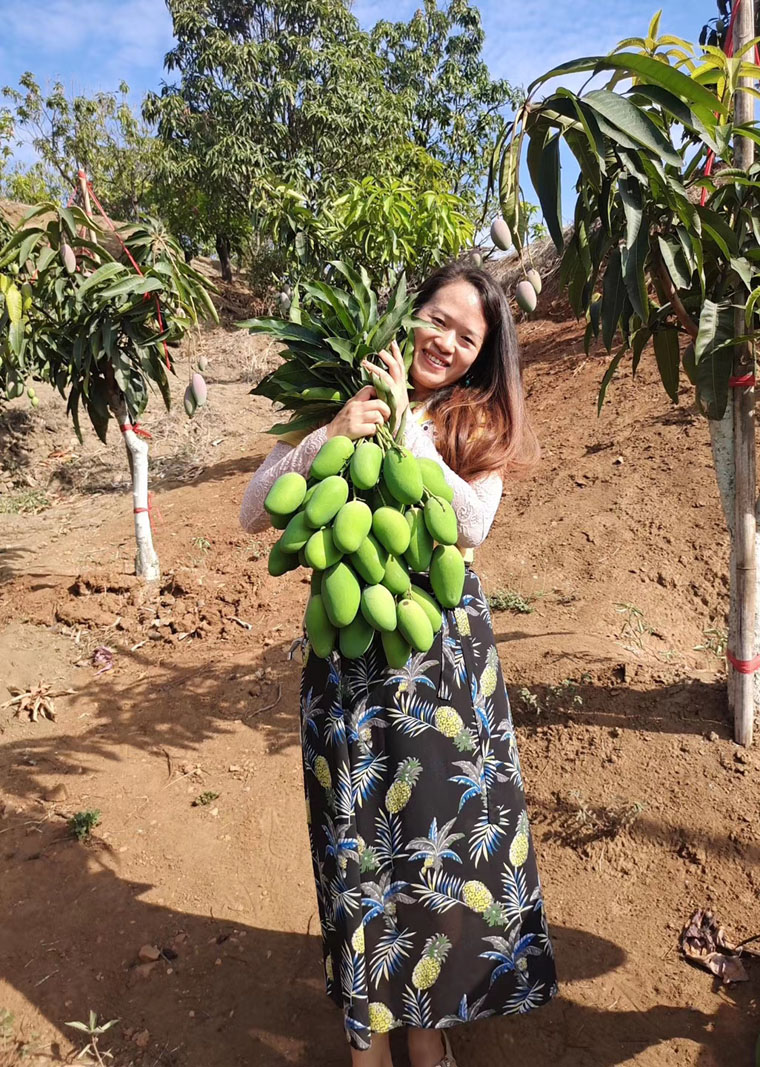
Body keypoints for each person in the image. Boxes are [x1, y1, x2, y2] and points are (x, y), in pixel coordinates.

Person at [239, 259, 557, 1066]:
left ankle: (429, 1039)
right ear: (408, 312)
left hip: (441, 677)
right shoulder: (339, 395)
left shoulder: (474, 422)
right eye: (436, 318)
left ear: (483, 355)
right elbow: (252, 508)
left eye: (466, 336)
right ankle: (368, 1042)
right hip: (348, 674)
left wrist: (404, 431)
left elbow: (471, 521)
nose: (444, 341)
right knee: (359, 854)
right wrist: (331, 434)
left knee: (435, 856)